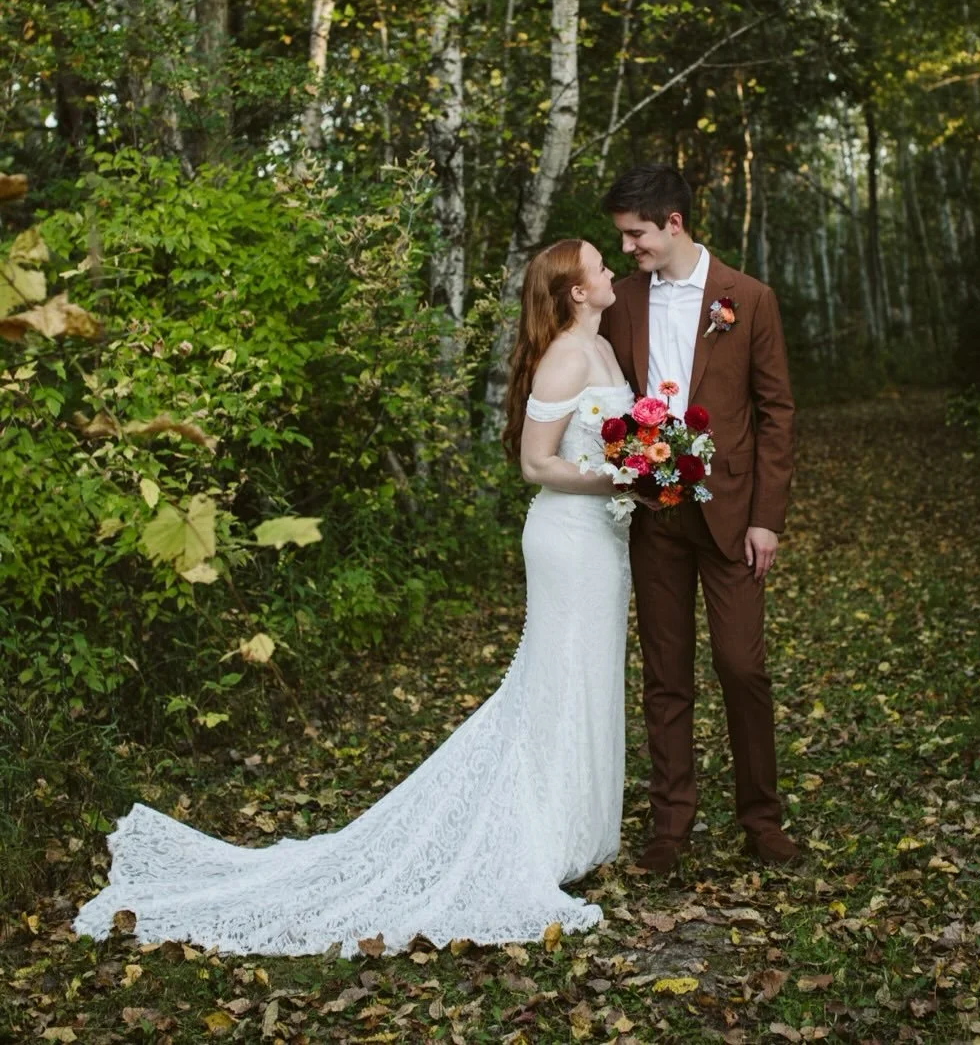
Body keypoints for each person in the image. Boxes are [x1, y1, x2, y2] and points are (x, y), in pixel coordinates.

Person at [72, 239, 635, 957]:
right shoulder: (565, 355)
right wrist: (614, 481)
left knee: (588, 675)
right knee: (556, 678)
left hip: (606, 541)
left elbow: (622, 437)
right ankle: (536, 839)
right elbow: (535, 462)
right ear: (577, 290)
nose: (612, 271)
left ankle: (576, 829)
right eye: (600, 265)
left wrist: (644, 466)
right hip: (569, 537)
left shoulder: (606, 350)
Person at [599, 164, 798, 873]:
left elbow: (776, 413)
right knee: (665, 674)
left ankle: (761, 820)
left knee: (741, 666)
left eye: (636, 235)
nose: (628, 248)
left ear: (673, 224)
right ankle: (670, 827)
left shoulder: (750, 298)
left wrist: (766, 518)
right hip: (654, 513)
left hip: (734, 515)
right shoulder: (619, 302)